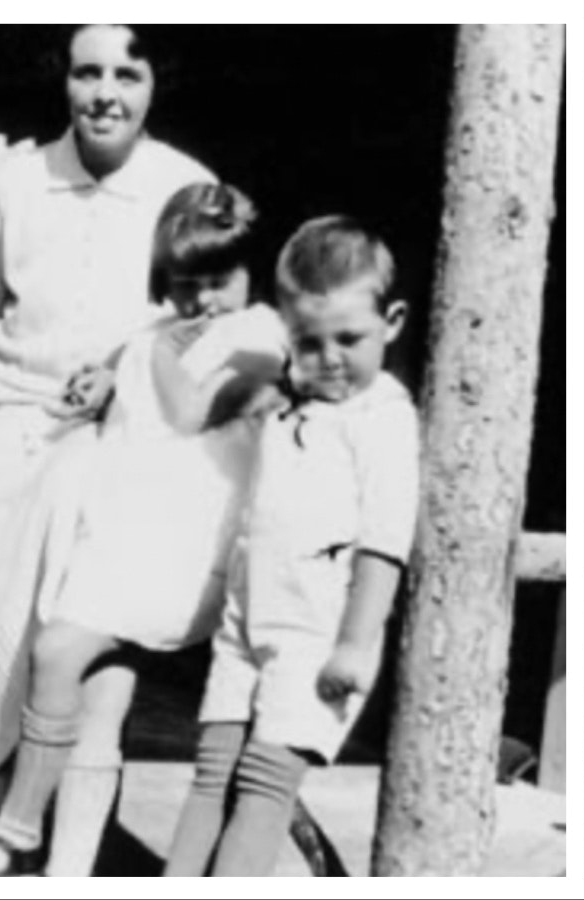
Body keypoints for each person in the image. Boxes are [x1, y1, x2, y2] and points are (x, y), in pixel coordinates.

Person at [0, 183, 286, 876]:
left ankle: (17, 823)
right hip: (121, 543)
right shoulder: (157, 336)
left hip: (182, 553)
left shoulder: (256, 337)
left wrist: (155, 356)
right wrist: (104, 379)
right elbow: (135, 397)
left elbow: (192, 413)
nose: (202, 303)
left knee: (58, 651)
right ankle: (60, 866)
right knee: (89, 684)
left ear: (249, 275)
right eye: (186, 286)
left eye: (219, 283)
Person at [0, 22, 213, 827]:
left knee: (93, 661)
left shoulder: (188, 188)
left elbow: (207, 329)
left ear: (153, 83)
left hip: (123, 447)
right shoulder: (11, 182)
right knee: (2, 658)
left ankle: (74, 861)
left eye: (126, 74)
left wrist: (124, 373)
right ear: (62, 79)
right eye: (87, 72)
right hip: (11, 434)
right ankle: (14, 845)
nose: (106, 93)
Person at [162, 216, 420, 876]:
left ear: (392, 321)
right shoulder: (285, 399)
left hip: (318, 631)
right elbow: (198, 411)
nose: (330, 357)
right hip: (246, 621)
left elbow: (384, 542)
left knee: (264, 783)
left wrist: (356, 643)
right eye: (309, 341)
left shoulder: (384, 417)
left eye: (349, 338)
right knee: (211, 770)